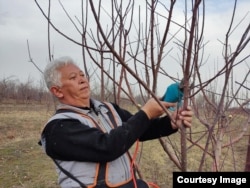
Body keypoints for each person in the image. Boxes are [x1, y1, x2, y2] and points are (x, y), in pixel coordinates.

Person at [39, 56, 193, 188]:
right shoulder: (57, 129)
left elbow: (140, 129)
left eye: (82, 75)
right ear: (57, 91)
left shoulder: (107, 109)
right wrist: (146, 113)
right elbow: (106, 147)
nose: (82, 80)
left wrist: (171, 123)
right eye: (73, 78)